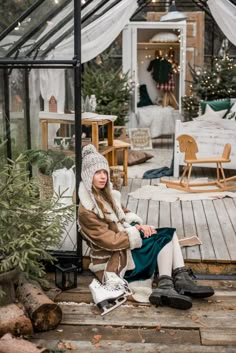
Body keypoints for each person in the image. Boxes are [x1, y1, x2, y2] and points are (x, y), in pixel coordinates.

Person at [78, 144, 214, 315]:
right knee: (165, 236)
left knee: (168, 233)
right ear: (88, 175)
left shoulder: (107, 195)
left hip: (125, 246)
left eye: (105, 172)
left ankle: (179, 279)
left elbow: (124, 214)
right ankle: (168, 283)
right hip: (115, 259)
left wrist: (138, 225)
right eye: (98, 172)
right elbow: (110, 241)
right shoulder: (87, 210)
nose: (103, 176)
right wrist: (138, 233)